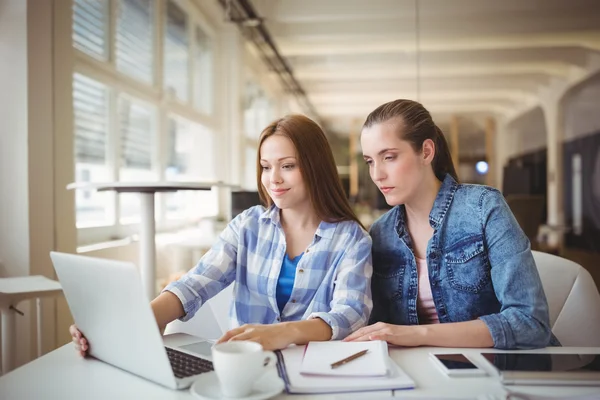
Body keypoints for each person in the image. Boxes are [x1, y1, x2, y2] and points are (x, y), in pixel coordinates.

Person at [71, 114, 373, 355]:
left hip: (315, 372)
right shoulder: (247, 227)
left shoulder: (351, 240)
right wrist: (135, 320)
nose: (273, 179)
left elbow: (351, 312)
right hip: (243, 367)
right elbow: (197, 282)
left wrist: (283, 333)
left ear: (315, 168)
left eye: (288, 166)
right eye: (266, 167)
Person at [344, 99, 556, 350]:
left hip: (499, 370)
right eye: (370, 161)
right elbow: (379, 328)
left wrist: (419, 334)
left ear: (426, 152)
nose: (377, 174)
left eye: (389, 157)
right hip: (420, 374)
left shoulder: (484, 208)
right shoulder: (380, 233)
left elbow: (531, 323)